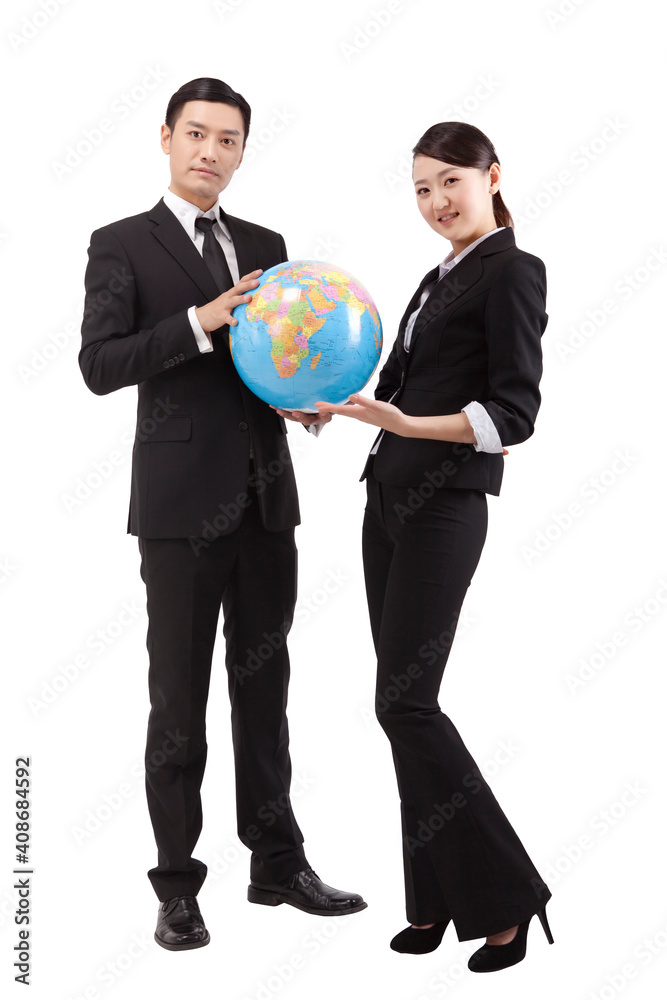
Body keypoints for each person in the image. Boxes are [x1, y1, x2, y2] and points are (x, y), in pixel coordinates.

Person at [78, 76, 366, 952]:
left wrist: (300, 399)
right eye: (196, 134)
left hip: (264, 500)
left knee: (265, 689)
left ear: (243, 150)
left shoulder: (268, 244)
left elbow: (272, 355)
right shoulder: (121, 244)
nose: (210, 152)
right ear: (165, 138)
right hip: (175, 509)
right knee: (179, 700)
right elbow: (99, 363)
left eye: (228, 140)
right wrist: (199, 321)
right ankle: (175, 886)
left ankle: (277, 862)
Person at [313, 122, 553, 973]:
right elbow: (395, 388)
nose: (436, 202)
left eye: (450, 181)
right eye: (420, 189)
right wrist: (321, 406)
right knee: (397, 707)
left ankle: (510, 898)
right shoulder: (433, 276)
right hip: (386, 501)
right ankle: (437, 903)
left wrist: (410, 425)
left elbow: (513, 415)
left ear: (493, 177)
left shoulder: (512, 270)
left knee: (406, 706)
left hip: (447, 504)